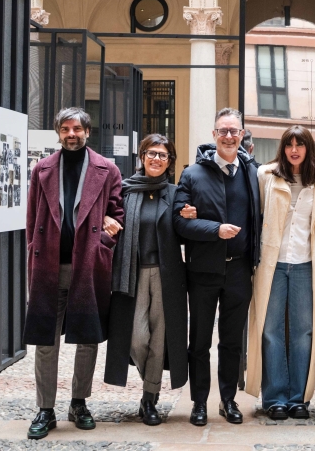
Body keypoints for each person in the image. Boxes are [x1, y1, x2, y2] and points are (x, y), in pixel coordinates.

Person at [23, 107, 124, 440]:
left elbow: (116, 212)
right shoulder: (42, 169)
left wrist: (105, 239)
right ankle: (45, 409)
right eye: (65, 128)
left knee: (87, 339)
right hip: (49, 266)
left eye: (77, 128)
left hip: (87, 267)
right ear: (58, 132)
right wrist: (32, 254)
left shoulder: (107, 169)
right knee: (45, 341)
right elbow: (32, 220)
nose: (71, 134)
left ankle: (79, 403)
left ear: (87, 132)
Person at [174, 108, 262, 426]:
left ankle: (227, 400)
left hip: (240, 270)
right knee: (199, 341)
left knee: (231, 341)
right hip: (203, 271)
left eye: (234, 131)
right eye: (223, 131)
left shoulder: (253, 173)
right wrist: (215, 230)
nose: (228, 136)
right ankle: (199, 402)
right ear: (214, 136)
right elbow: (178, 223)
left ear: (241, 135)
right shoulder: (192, 175)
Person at [103, 134, 192, 426]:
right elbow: (103, 214)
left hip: (167, 274)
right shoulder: (125, 190)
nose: (157, 159)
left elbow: (182, 224)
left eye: (163, 155)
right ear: (142, 156)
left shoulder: (175, 192)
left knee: (160, 337)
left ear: (170, 162)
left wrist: (189, 216)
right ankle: (149, 378)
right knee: (138, 337)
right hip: (133, 272)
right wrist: (105, 219)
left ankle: (149, 398)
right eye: (152, 153)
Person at [246, 126, 315, 420]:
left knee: (303, 332)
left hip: (306, 264)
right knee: (270, 330)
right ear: (282, 148)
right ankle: (275, 397)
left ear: (309, 149)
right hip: (273, 264)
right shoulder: (266, 176)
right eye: (289, 145)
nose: (294, 150)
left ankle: (298, 398)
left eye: (300, 145)